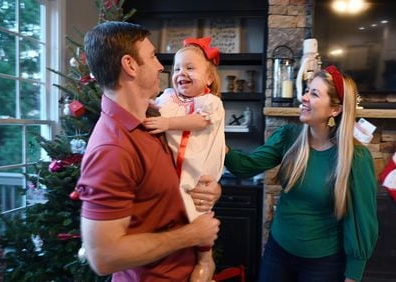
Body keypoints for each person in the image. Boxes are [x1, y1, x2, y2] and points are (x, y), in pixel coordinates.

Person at [77, 21, 221, 281]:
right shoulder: (112, 149)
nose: (160, 66)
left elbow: (193, 161)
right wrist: (191, 235)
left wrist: (210, 188)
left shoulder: (154, 117)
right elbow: (104, 256)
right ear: (130, 65)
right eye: (153, 56)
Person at [224, 65, 379, 282]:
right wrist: (212, 140)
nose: (304, 97)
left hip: (324, 264)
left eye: (314, 93)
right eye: (307, 90)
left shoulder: (356, 158)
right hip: (277, 253)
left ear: (335, 109)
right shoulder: (288, 137)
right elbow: (246, 166)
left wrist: (353, 275)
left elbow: (362, 220)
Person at [143, 37, 225, 282]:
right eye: (177, 68)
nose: (181, 73)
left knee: (199, 209)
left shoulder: (210, 102)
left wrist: (167, 123)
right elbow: (153, 108)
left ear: (209, 78)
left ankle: (205, 259)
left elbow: (199, 122)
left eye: (190, 68)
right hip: (172, 169)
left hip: (197, 168)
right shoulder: (167, 97)